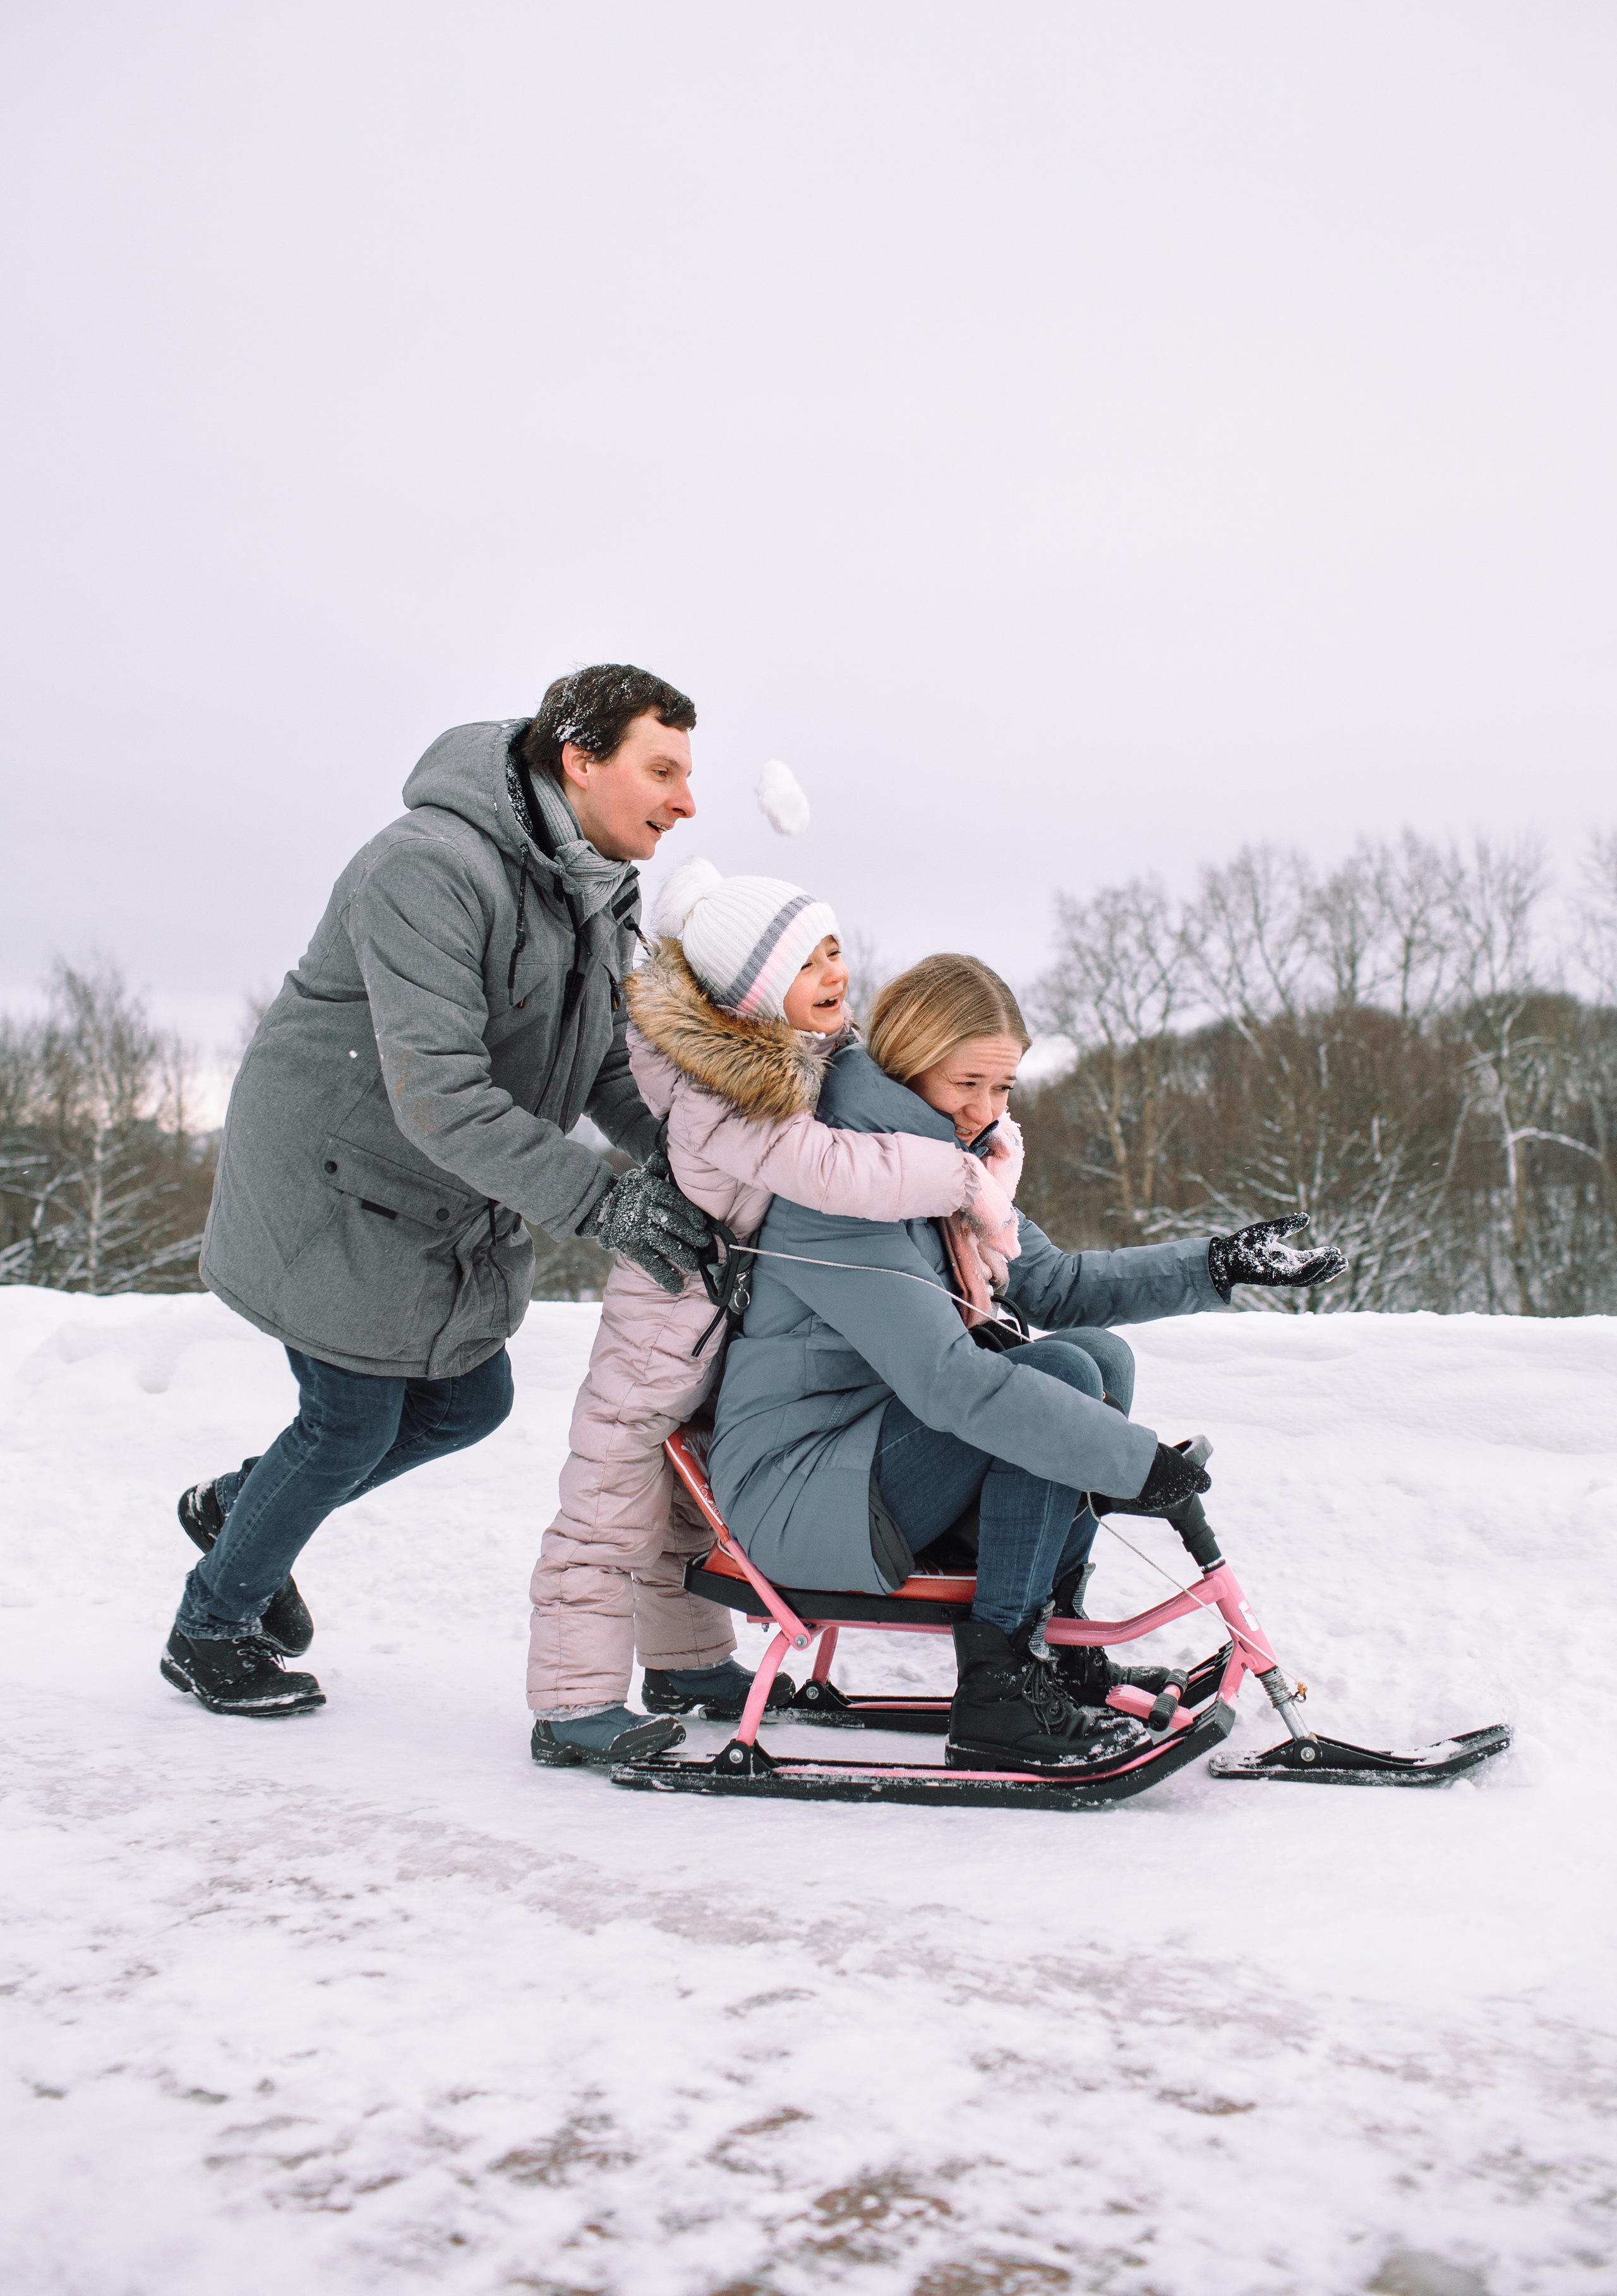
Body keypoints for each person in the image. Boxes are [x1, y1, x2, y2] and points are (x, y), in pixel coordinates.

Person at [164, 664, 719, 1719]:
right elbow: (444, 1097)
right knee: (348, 1423)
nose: (686, 800)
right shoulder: (428, 867)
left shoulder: (592, 882)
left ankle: (239, 1512)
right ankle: (210, 1627)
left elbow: (602, 1061)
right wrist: (607, 1207)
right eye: (662, 769)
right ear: (580, 760)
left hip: (426, 1189)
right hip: (331, 1182)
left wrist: (691, 1162)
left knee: (471, 1399)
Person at [709, 953, 1347, 1774]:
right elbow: (951, 1383)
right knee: (1053, 1390)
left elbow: (1055, 1284)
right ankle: (1000, 1692)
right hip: (798, 1486)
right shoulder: (841, 1184)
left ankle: (1052, 1644)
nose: (985, 1111)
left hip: (869, 1448)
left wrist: (1216, 1264)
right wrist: (1131, 1463)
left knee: (1094, 1357)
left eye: (1003, 1088)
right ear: (906, 1069)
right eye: (966, 1083)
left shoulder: (947, 1171)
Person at [526, 863, 1016, 1766]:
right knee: (607, 1508)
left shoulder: (794, 1065)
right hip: (661, 1328)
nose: (836, 973)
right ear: (754, 993)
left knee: (683, 1509)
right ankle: (571, 1703)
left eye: (834, 950)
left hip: (716, 1328)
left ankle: (687, 1664)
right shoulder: (723, 1095)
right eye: (808, 964)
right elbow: (828, 1170)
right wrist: (958, 1176)